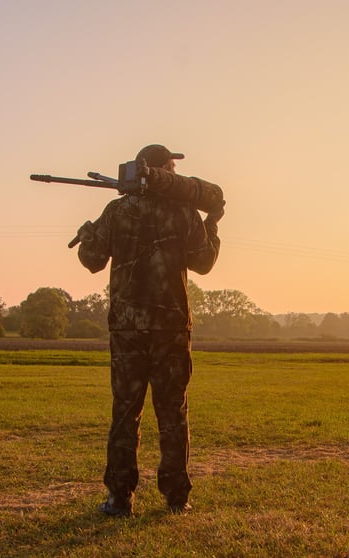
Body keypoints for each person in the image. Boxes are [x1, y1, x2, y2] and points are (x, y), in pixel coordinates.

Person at [76, 144, 224, 517]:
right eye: (172, 167)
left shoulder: (117, 210)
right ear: (163, 171)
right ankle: (177, 499)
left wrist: (88, 235)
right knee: (173, 413)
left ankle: (119, 499)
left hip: (126, 330)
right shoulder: (184, 212)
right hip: (172, 328)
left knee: (125, 413)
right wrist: (212, 225)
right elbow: (204, 263)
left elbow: (92, 261)